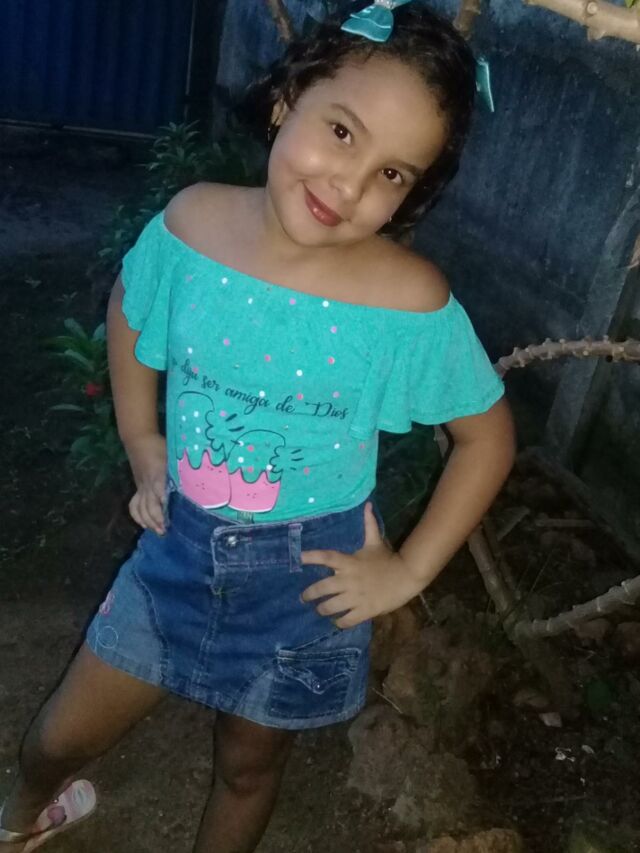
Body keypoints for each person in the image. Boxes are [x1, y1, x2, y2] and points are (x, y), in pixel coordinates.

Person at [0, 2, 516, 851]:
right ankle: (20, 817)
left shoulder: (410, 302)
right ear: (286, 99)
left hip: (303, 590)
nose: (349, 185)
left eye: (392, 173)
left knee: (249, 768)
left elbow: (487, 438)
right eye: (342, 132)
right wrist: (142, 442)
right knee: (59, 737)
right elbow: (132, 306)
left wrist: (406, 571)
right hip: (174, 554)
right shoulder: (192, 223)